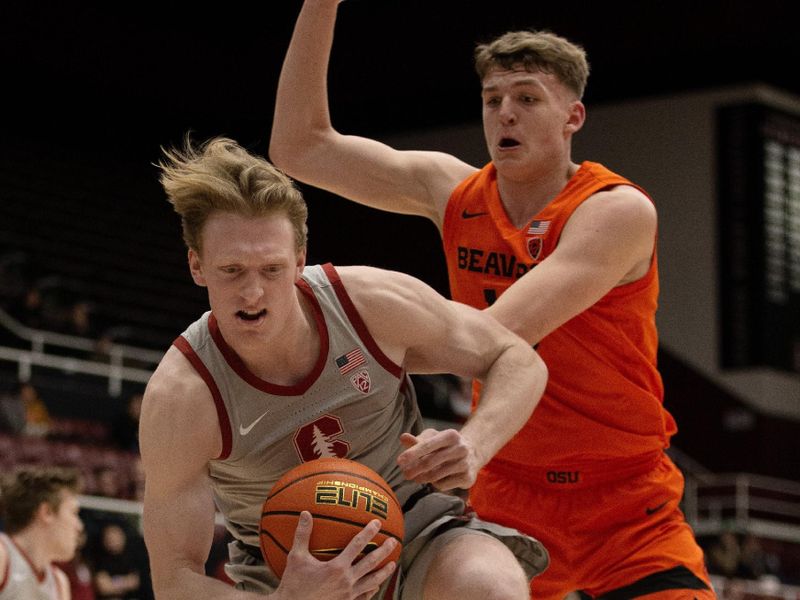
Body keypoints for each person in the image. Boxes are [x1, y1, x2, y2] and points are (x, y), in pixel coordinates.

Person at [269, 2, 716, 599]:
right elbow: (300, 147)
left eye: (528, 98)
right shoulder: (453, 192)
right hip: (508, 487)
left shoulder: (616, 211)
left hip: (624, 496)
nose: (505, 113)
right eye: (492, 99)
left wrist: (351, 360)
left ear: (572, 116)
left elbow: (493, 336)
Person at [140, 136, 549, 600]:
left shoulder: (369, 305)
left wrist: (475, 444)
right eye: (232, 270)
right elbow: (174, 580)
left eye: (271, 270)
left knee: (488, 586)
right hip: (284, 577)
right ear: (197, 266)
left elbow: (517, 358)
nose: (252, 293)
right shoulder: (183, 396)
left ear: (299, 261)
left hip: (415, 531)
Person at [0, 466, 84, 599]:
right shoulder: (3, 555)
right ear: (47, 512)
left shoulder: (59, 582)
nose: (79, 526)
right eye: (74, 513)